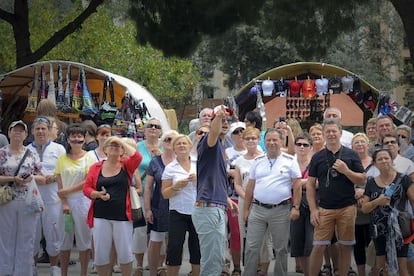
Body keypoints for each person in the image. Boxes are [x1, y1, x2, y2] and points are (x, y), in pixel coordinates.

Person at [306, 119, 366, 276]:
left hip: (347, 207)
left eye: (334, 131)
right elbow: (310, 185)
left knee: (345, 246)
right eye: (328, 131)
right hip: (325, 208)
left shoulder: (351, 154)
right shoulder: (317, 157)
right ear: (324, 134)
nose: (331, 134)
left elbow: (362, 179)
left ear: (340, 133)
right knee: (318, 246)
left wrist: (346, 171)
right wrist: (313, 210)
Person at [243, 128, 302, 276]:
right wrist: (246, 209)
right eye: (268, 140)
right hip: (257, 209)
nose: (271, 143)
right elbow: (250, 187)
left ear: (281, 141)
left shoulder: (290, 161)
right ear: (264, 142)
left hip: (281, 210)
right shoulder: (257, 161)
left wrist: (296, 207)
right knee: (251, 247)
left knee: (281, 248)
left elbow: (297, 185)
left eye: (275, 139)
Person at [83, 136, 142, 276]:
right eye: (111, 145)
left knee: (125, 251)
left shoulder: (126, 165)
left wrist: (119, 141)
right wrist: (97, 194)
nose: (115, 147)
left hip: (122, 215)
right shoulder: (96, 167)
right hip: (100, 215)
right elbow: (86, 188)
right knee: (101, 252)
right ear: (105, 150)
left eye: (118, 146)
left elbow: (137, 157)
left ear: (122, 150)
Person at [191, 105, 238, 276]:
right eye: (221, 119)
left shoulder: (219, 148)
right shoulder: (208, 142)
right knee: (211, 263)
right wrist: (217, 118)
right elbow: (213, 133)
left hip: (215, 207)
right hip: (208, 209)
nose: (225, 122)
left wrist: (225, 198)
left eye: (227, 120)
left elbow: (214, 179)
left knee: (216, 260)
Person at [0, 120, 44, 275]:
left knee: (27, 237)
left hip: (28, 200)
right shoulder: (2, 153)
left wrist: (30, 177)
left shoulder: (32, 154)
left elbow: (42, 177)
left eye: (21, 131)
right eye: (14, 130)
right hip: (7, 200)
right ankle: (5, 271)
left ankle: (24, 271)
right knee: (6, 236)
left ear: (26, 134)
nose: (17, 133)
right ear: (9, 132)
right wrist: (13, 179)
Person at [361, 148, 414, 275]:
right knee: (383, 267)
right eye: (380, 159)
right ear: (375, 163)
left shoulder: (404, 179)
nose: (384, 161)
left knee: (402, 266)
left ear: (392, 160)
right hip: (379, 229)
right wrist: (377, 202)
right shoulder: (371, 183)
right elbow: (364, 208)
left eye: (386, 158)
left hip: (400, 229)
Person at [55, 124, 97, 276]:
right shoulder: (62, 158)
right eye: (73, 136)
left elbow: (88, 181)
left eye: (80, 136)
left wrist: (67, 191)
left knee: (84, 239)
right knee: (64, 238)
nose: (76, 139)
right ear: (68, 138)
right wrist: (65, 200)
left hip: (82, 201)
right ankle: (64, 273)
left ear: (84, 139)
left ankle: (83, 273)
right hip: (64, 202)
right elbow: (59, 180)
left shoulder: (90, 157)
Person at [28, 116, 66, 276]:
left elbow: (65, 172)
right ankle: (32, 267)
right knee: (32, 234)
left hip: (53, 199)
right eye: (37, 128)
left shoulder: (59, 150)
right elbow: (22, 172)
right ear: (32, 131)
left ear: (49, 130)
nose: (41, 131)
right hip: (32, 199)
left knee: (54, 233)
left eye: (44, 128)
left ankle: (54, 267)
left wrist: (53, 177)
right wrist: (36, 178)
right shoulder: (26, 150)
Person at [233, 127, 270, 276]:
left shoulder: (265, 158)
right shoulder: (240, 161)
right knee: (246, 235)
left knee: (264, 237)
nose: (250, 141)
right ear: (243, 140)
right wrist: (245, 196)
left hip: (262, 201)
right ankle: (250, 267)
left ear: (258, 140)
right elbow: (237, 183)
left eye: (253, 138)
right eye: (247, 138)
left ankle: (264, 269)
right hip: (244, 201)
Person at [162, 135, 200, 276]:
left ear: (190, 147)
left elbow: (209, 186)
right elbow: (165, 194)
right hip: (177, 211)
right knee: (174, 247)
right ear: (174, 149)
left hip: (198, 210)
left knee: (197, 246)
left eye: (185, 143)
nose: (182, 146)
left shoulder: (198, 164)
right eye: (178, 144)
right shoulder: (170, 168)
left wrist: (199, 178)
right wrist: (176, 187)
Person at [144, 130, 179, 276]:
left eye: (173, 140)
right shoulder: (155, 162)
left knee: (175, 242)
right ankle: (153, 272)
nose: (169, 142)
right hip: (159, 206)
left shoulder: (182, 161)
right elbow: (148, 187)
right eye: (166, 139)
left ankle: (170, 270)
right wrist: (147, 209)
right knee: (155, 241)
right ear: (162, 142)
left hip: (178, 207)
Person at [133, 117, 163, 275]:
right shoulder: (138, 147)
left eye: (156, 126)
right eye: (149, 126)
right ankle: (139, 264)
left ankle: (159, 264)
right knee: (140, 231)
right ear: (144, 130)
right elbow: (134, 169)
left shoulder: (166, 147)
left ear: (160, 131)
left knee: (161, 230)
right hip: (141, 193)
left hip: (161, 196)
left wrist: (160, 155)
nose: (153, 128)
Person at [290, 133, 314, 276]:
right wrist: (306, 182)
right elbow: (286, 183)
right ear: (294, 146)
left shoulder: (315, 163)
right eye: (299, 144)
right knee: (298, 243)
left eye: (305, 145)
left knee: (311, 244)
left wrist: (298, 183)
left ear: (311, 147)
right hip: (294, 205)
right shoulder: (289, 163)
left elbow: (317, 183)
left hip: (312, 205)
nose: (302, 147)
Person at [225, 122, 247, 275]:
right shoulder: (227, 152)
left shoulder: (257, 150)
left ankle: (256, 265)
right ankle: (237, 266)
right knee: (235, 233)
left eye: (242, 131)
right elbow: (224, 172)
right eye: (236, 132)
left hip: (253, 196)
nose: (240, 135)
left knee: (253, 233)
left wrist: (235, 173)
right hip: (232, 196)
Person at [351, 133, 374, 276]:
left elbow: (381, 181)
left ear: (367, 144)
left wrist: (364, 193)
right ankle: (361, 273)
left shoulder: (376, 162)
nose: (360, 144)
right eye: (356, 142)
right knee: (358, 244)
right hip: (354, 211)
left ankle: (375, 271)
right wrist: (355, 193)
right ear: (352, 146)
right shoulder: (349, 162)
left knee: (374, 244)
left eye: (362, 142)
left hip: (373, 208)